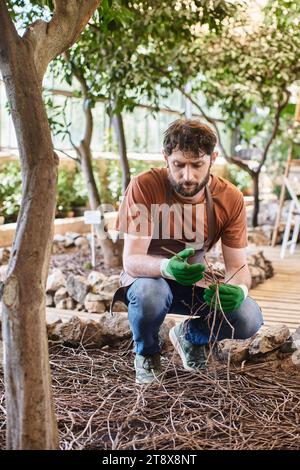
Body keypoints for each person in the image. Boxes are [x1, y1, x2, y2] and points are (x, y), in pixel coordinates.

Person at [112, 119, 263, 384]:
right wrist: (166, 267)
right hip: (149, 279)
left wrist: (239, 289)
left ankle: (189, 335)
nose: (188, 176)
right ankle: (147, 355)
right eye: (179, 165)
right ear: (165, 157)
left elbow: (238, 266)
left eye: (197, 165)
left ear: (213, 158)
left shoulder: (229, 198)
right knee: (150, 293)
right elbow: (132, 260)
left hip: (196, 279)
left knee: (248, 317)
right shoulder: (145, 186)